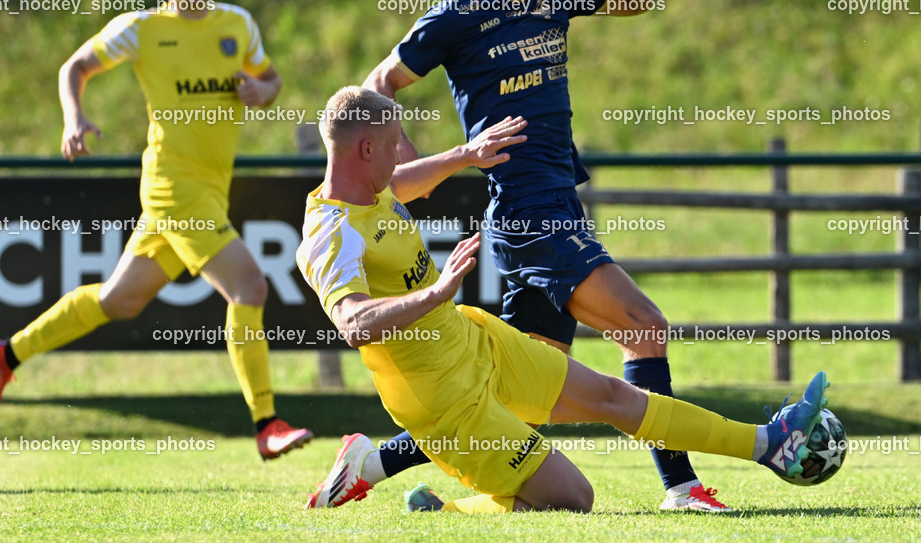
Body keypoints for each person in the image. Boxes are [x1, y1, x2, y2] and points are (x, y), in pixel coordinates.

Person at [307, 0, 727, 511]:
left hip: (558, 195)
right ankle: (682, 487)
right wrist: (404, 168)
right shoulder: (454, 19)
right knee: (645, 326)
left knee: (517, 390)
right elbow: (378, 85)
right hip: (528, 209)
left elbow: (636, 6)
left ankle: (379, 464)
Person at [297, 86, 828, 514]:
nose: (399, 153)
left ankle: (768, 443)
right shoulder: (332, 233)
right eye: (393, 145)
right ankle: (443, 512)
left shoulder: (370, 187)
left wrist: (465, 155)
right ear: (366, 150)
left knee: (614, 398)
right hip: (443, 402)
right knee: (573, 499)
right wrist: (435, 292)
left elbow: (402, 184)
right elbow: (353, 323)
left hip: (475, 341)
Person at [0, 0, 312, 460]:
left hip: (209, 189)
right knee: (249, 287)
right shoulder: (141, 29)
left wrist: (260, 90)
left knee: (120, 299)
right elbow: (75, 67)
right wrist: (75, 117)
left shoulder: (238, 24)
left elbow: (270, 80)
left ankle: (7, 354)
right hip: (173, 187)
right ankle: (266, 422)